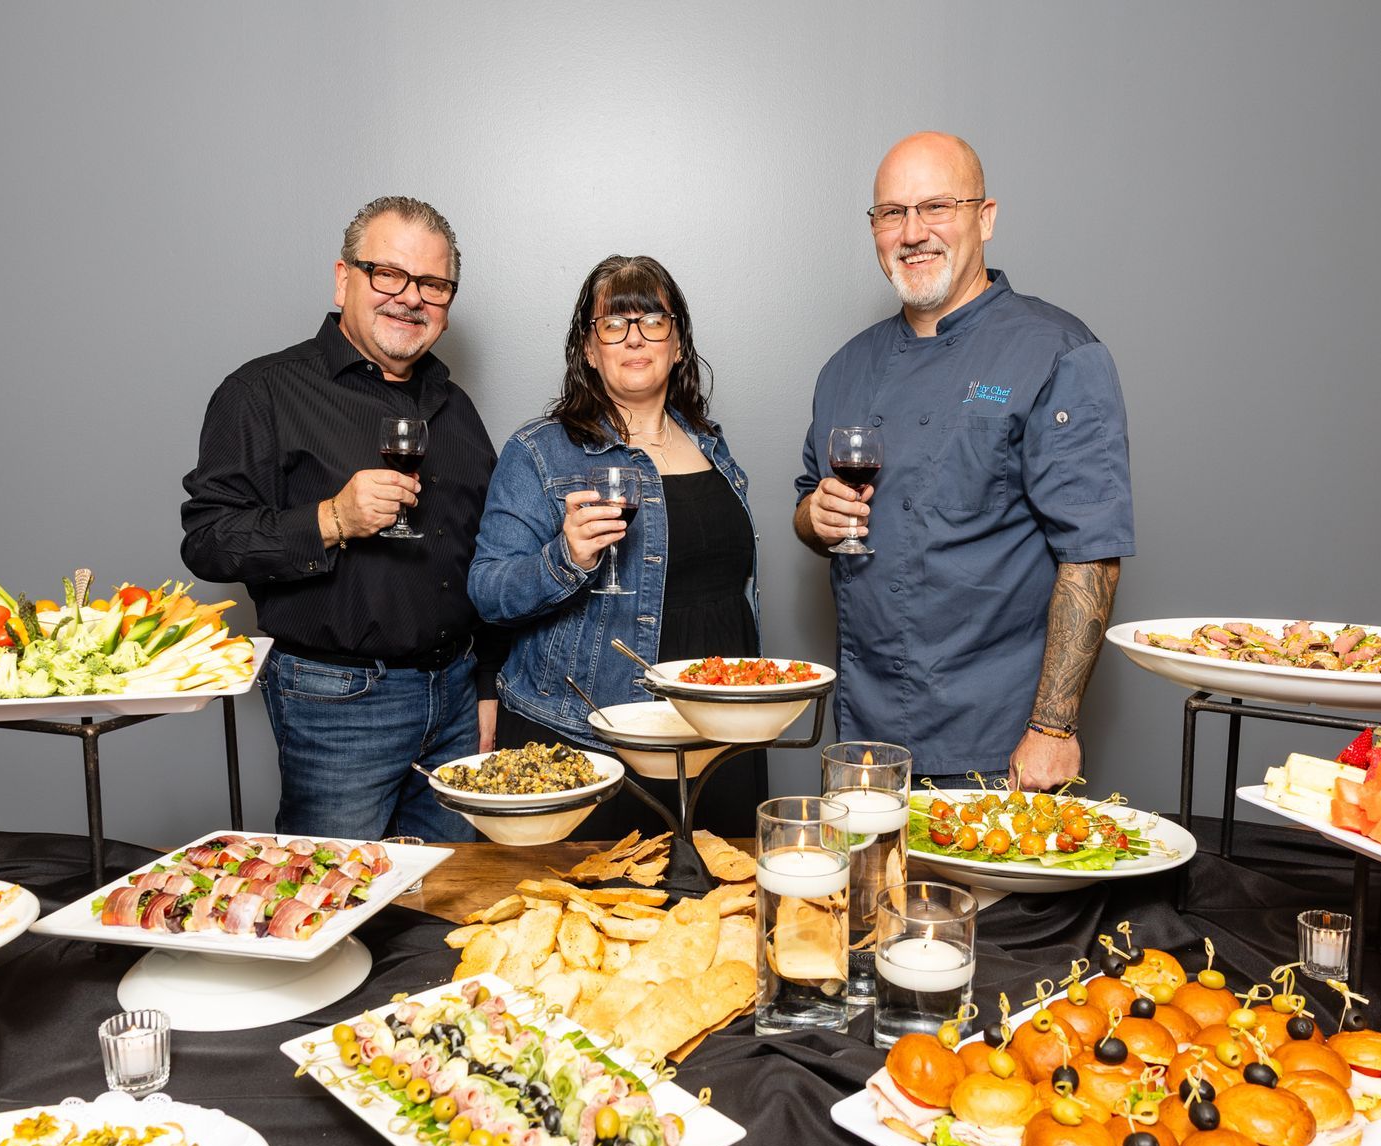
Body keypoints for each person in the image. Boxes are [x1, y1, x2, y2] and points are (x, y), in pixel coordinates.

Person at [793, 132, 1135, 789]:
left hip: (1000, 743)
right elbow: (810, 513)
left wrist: (1054, 730)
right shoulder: (846, 368)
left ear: (986, 217)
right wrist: (815, 514)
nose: (913, 231)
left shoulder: (1057, 351)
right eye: (892, 213)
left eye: (937, 207)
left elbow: (1090, 553)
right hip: (863, 742)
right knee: (863, 895)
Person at [181, 196, 502, 841]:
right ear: (342, 278)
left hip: (459, 700)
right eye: (389, 274)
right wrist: (331, 519)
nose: (410, 298)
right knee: (333, 899)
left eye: (433, 284)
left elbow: (486, 555)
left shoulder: (456, 408)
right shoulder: (263, 392)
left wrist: (486, 689)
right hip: (339, 702)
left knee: (448, 903)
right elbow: (209, 541)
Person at [469, 255, 766, 837]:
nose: (635, 338)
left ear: (677, 343)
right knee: (605, 910)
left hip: (720, 728)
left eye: (653, 321)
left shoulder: (712, 448)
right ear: (588, 347)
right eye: (614, 323)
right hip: (600, 731)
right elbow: (487, 591)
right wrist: (567, 558)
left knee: (722, 904)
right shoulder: (540, 452)